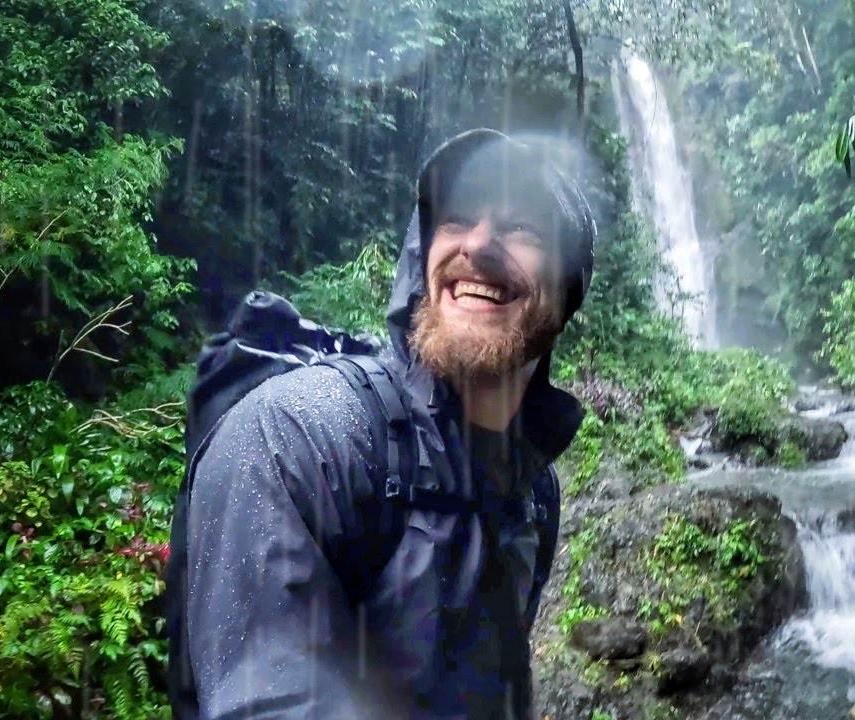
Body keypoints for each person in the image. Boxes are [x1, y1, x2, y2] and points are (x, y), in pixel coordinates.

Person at [177, 128, 597, 719]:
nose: (478, 245)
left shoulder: (533, 490)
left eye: (520, 226)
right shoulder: (297, 437)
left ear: (568, 286)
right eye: (455, 220)